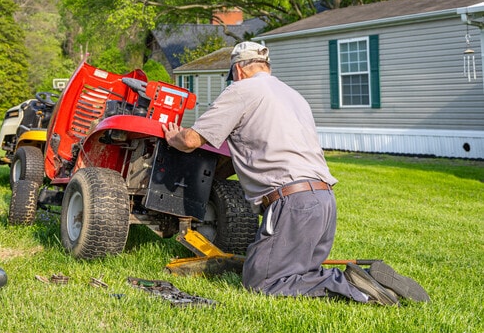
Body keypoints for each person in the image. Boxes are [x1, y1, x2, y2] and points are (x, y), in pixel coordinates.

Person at [162, 41, 428, 305]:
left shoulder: (242, 90)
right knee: (298, 274)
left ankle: (355, 286)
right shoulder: (293, 95)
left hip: (292, 202)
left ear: (238, 70)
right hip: (323, 201)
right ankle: (375, 284)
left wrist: (174, 136)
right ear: (266, 66)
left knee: (261, 281)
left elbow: (191, 140)